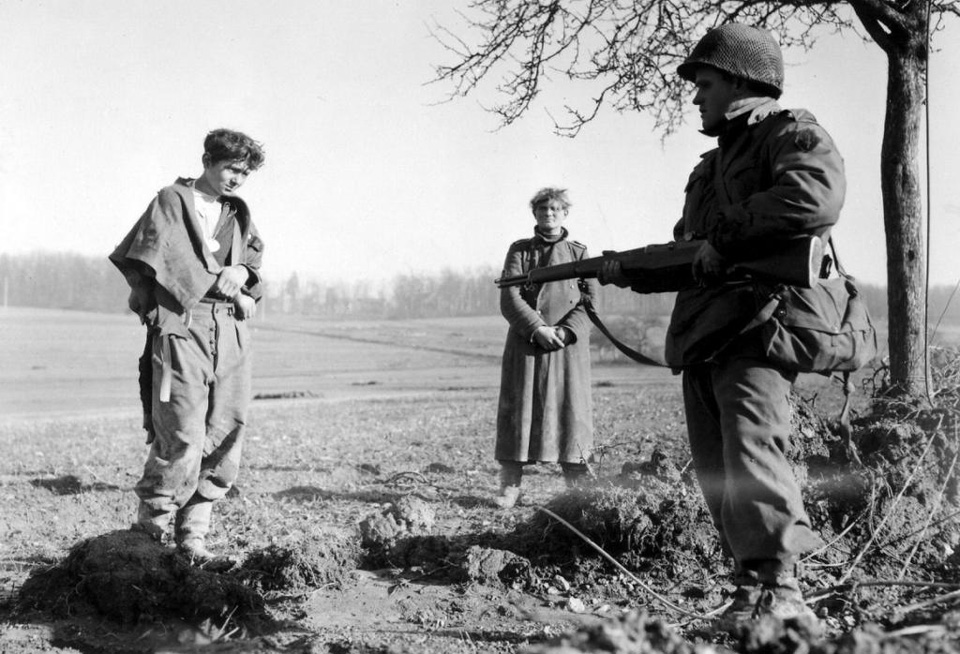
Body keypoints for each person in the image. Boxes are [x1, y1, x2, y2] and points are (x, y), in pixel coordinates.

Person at [601, 24, 844, 623]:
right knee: (717, 465)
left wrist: (725, 239)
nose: (694, 97)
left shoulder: (791, 134)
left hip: (762, 325)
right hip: (709, 329)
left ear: (742, 82)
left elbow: (815, 199)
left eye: (704, 83)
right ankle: (751, 589)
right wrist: (626, 271)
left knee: (752, 451)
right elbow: (695, 253)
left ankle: (783, 595)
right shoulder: (711, 166)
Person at [110, 128, 266, 566]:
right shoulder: (172, 201)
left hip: (230, 331)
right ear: (208, 160)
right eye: (231, 168)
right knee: (182, 430)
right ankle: (148, 535)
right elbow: (163, 258)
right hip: (183, 326)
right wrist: (226, 282)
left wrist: (243, 277)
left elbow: (253, 264)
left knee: (226, 428)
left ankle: (194, 537)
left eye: (245, 172)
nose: (237, 178)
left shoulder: (237, 213)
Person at [494, 187, 597, 509]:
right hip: (526, 342)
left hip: (567, 349)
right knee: (518, 412)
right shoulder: (520, 251)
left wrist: (566, 332)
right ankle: (510, 484)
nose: (548, 214)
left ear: (565, 213)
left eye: (554, 209)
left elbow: (591, 302)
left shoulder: (580, 253)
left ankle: (576, 485)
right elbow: (509, 295)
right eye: (542, 209)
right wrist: (536, 328)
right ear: (534, 214)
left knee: (572, 412)